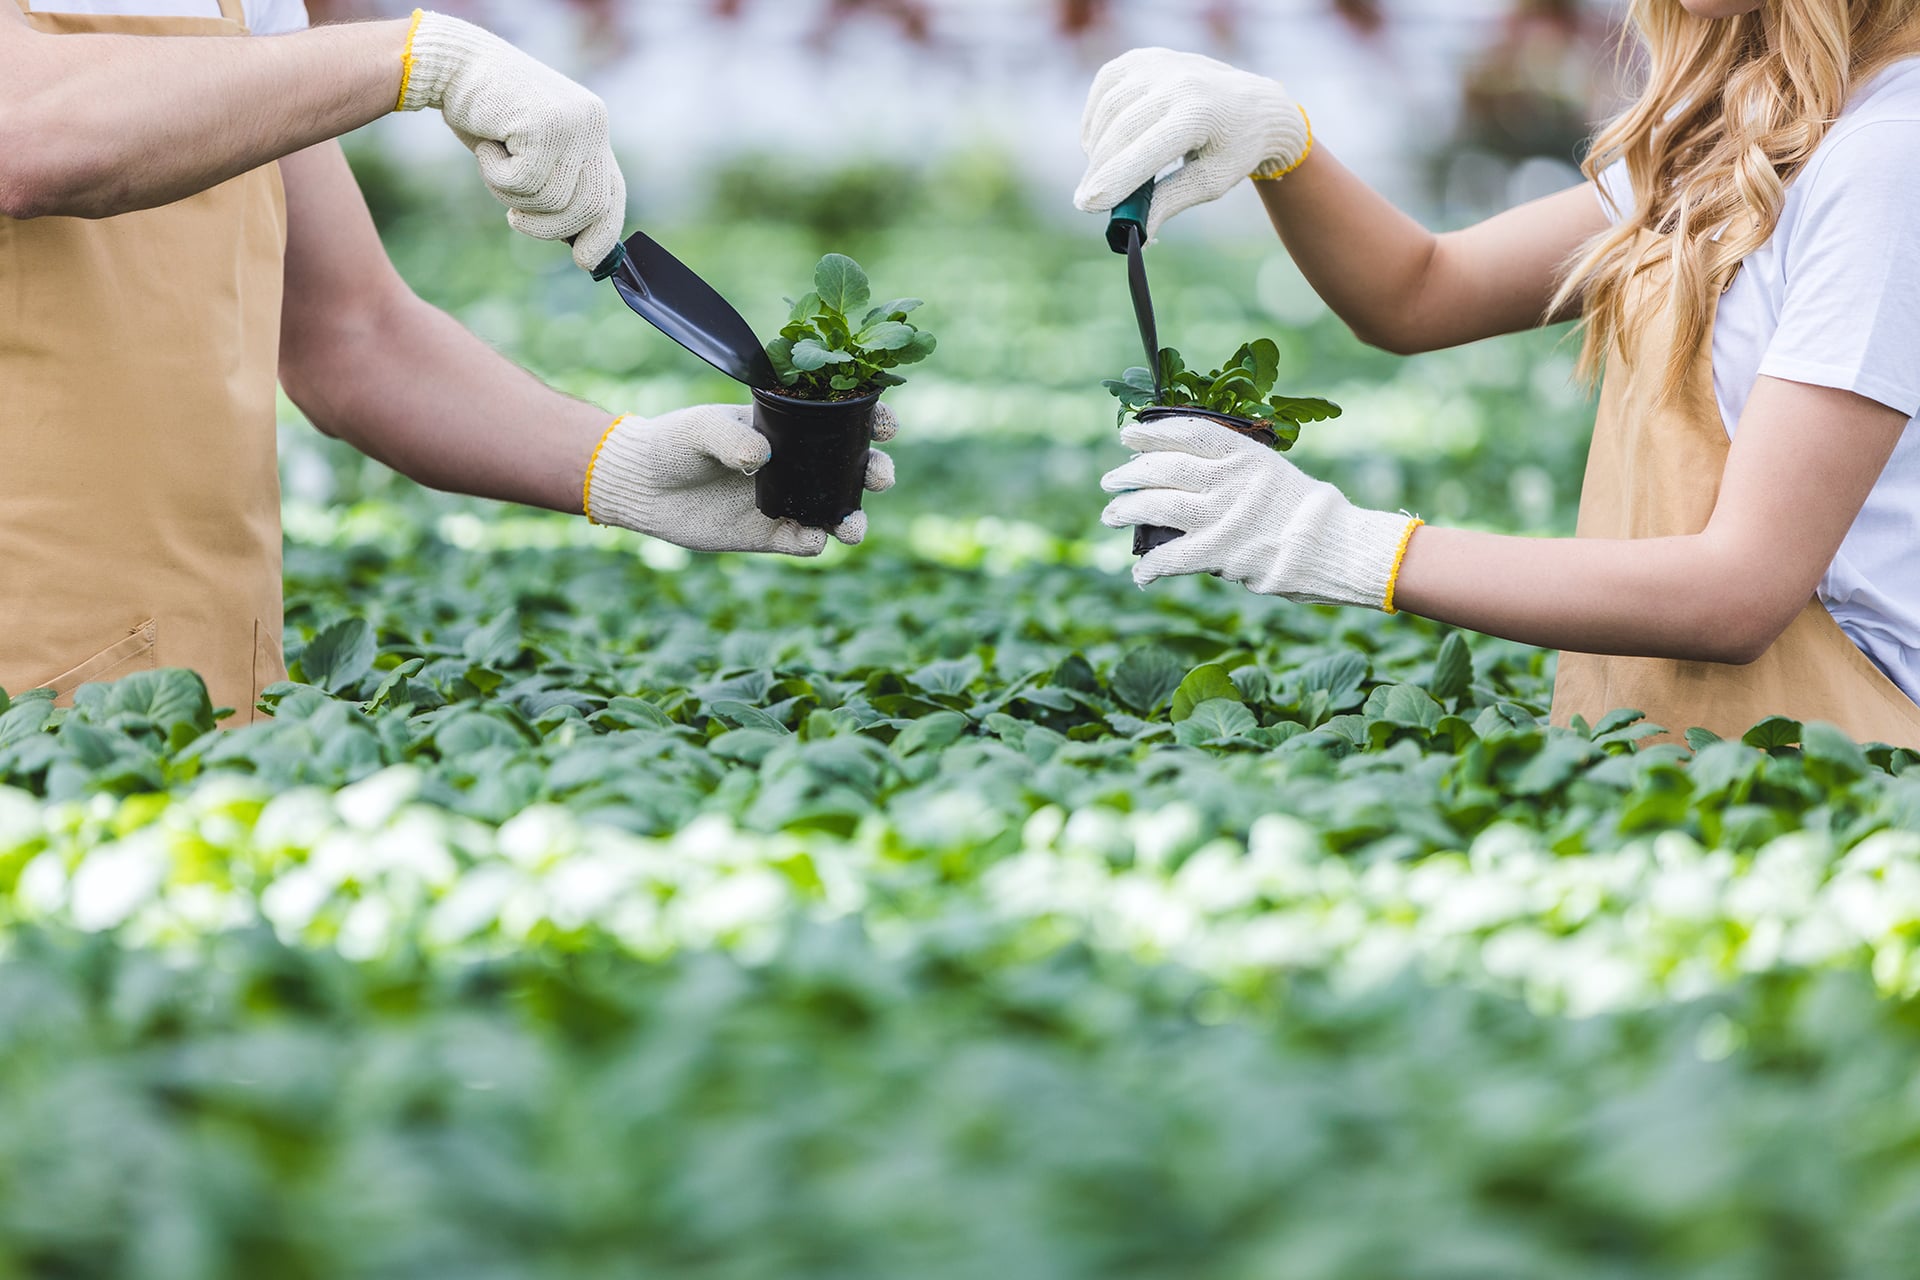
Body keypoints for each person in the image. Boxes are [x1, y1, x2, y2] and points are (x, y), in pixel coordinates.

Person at [0, 2, 893, 724]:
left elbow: (354, 333)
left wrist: (620, 466)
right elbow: (28, 131)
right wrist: (427, 61)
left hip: (199, 689)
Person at [1079, 1, 1920, 746]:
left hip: (1849, 747)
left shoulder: (1889, 155)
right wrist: (1278, 140)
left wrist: (1338, 543)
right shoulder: (1744, 132)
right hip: (1703, 748)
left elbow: (1741, 589)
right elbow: (1419, 293)